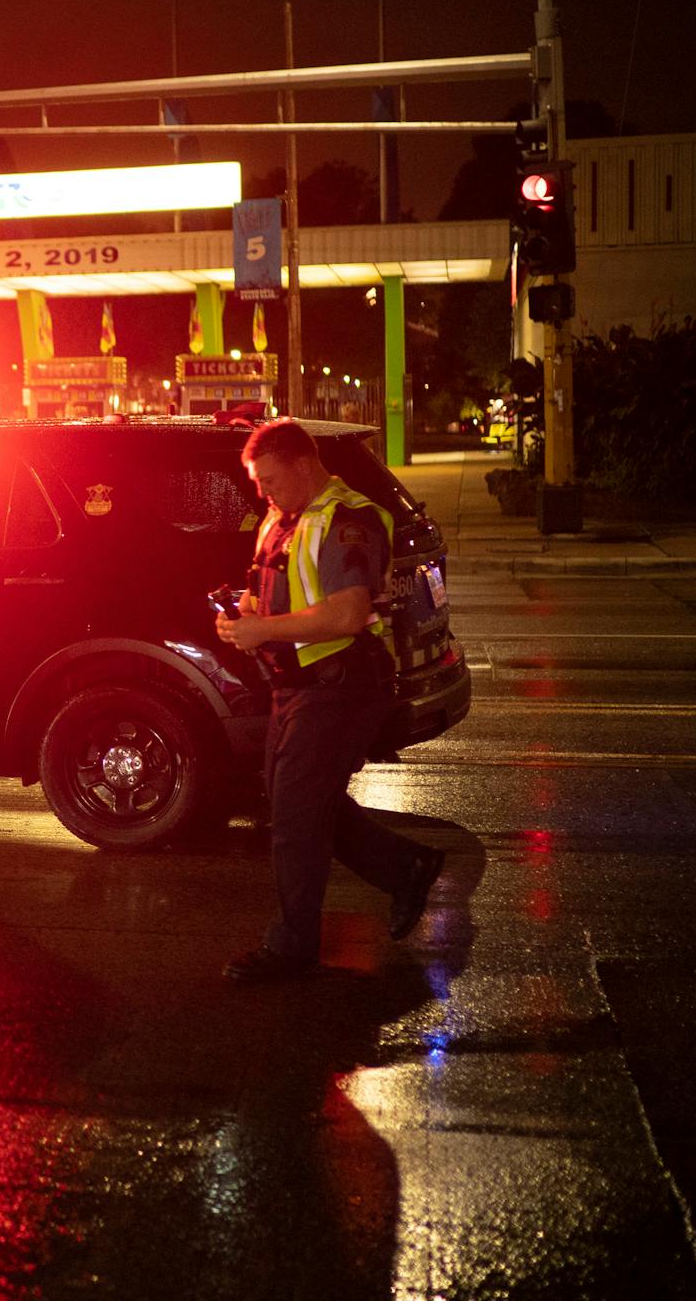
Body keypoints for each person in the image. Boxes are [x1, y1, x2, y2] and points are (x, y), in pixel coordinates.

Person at [214, 419, 445, 982]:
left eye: (269, 480)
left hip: (341, 686)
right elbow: (272, 588)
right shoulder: (282, 517)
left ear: (301, 462)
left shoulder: (349, 519)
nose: (263, 494)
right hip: (295, 688)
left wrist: (263, 633)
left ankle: (293, 948)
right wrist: (243, 613)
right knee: (297, 802)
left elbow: (345, 613)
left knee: (295, 815)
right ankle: (405, 867)